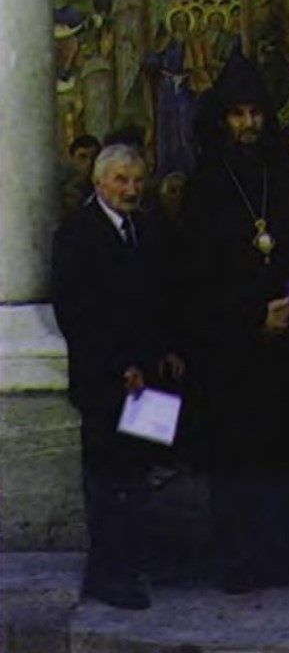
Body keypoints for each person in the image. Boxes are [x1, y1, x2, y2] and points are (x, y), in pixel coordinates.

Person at [179, 51, 289, 591]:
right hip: (230, 353)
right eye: (237, 114)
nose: (248, 124)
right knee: (236, 459)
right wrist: (252, 317)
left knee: (286, 453)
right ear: (223, 120)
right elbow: (194, 278)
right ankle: (239, 559)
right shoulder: (204, 188)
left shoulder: (287, 179)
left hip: (288, 349)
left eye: (255, 113)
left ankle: (284, 556)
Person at [52, 143, 185, 609]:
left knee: (140, 475)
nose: (131, 189)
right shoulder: (76, 234)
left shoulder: (147, 229)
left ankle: (137, 560)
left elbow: (161, 297)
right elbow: (77, 313)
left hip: (149, 381)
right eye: (121, 180)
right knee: (108, 480)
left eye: (137, 180)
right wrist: (117, 366)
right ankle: (108, 573)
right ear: (99, 182)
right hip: (104, 384)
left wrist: (166, 349)